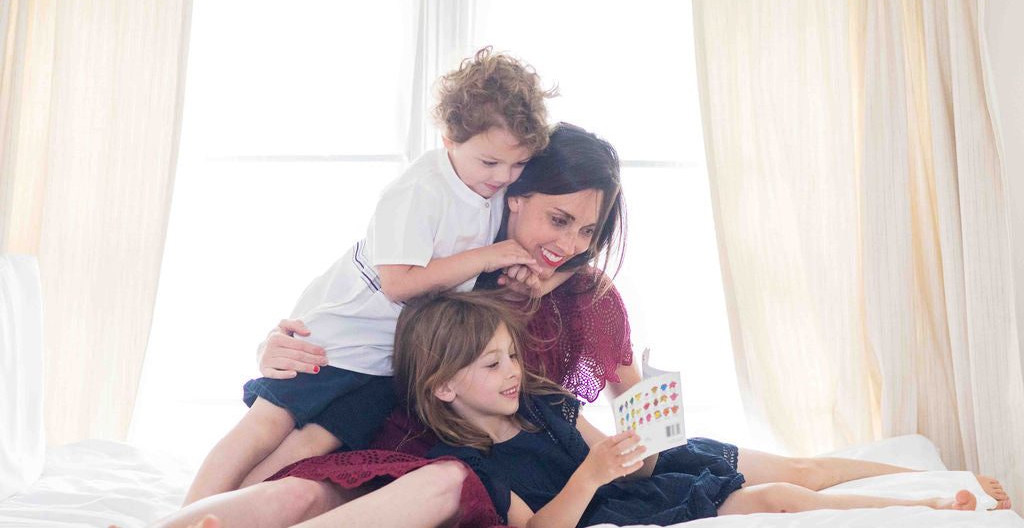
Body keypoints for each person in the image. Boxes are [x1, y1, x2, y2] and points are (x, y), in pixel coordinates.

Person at [157, 125, 1010, 528]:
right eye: (555, 218)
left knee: (794, 468)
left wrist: (645, 416)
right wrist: (274, 343)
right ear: (512, 194)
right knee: (299, 485)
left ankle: (942, 487)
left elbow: (642, 409)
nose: (565, 243)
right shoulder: (457, 260)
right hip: (428, 442)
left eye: (584, 231)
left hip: (562, 448)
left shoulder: (591, 297)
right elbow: (352, 320)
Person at [183, 47, 556, 504]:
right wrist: (487, 256)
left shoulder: (488, 188)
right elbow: (398, 283)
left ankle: (225, 517)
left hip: (385, 360)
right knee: (267, 425)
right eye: (490, 163)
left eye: (517, 165)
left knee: (310, 446)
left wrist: (508, 268)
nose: (503, 177)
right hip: (337, 338)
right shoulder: (420, 190)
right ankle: (182, 517)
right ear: (449, 138)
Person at [406, 292, 985, 527]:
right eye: (491, 365)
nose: (512, 370)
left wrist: (641, 433)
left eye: (511, 355)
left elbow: (618, 457)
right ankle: (932, 500)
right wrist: (595, 473)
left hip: (648, 478)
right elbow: (536, 527)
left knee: (798, 479)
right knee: (784, 494)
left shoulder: (544, 402)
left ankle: (930, 491)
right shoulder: (464, 462)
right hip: (614, 508)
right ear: (443, 387)